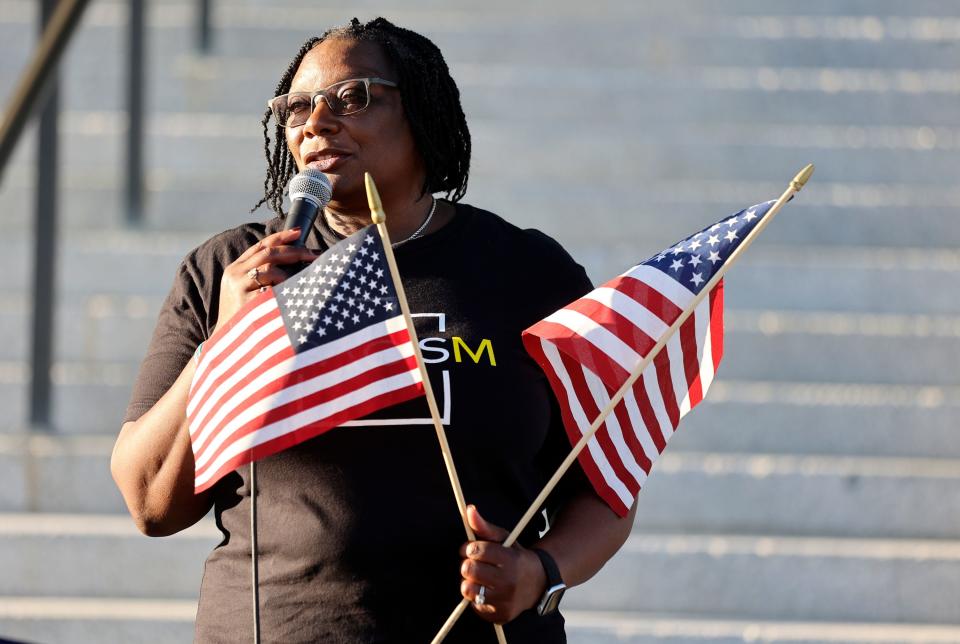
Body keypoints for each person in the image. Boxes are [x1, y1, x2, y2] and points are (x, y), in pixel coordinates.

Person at [111, 17, 637, 644]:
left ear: (422, 111)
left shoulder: (527, 272)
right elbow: (150, 501)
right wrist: (228, 339)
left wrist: (539, 571)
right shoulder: (227, 271)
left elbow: (606, 488)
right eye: (297, 107)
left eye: (351, 97)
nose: (316, 122)